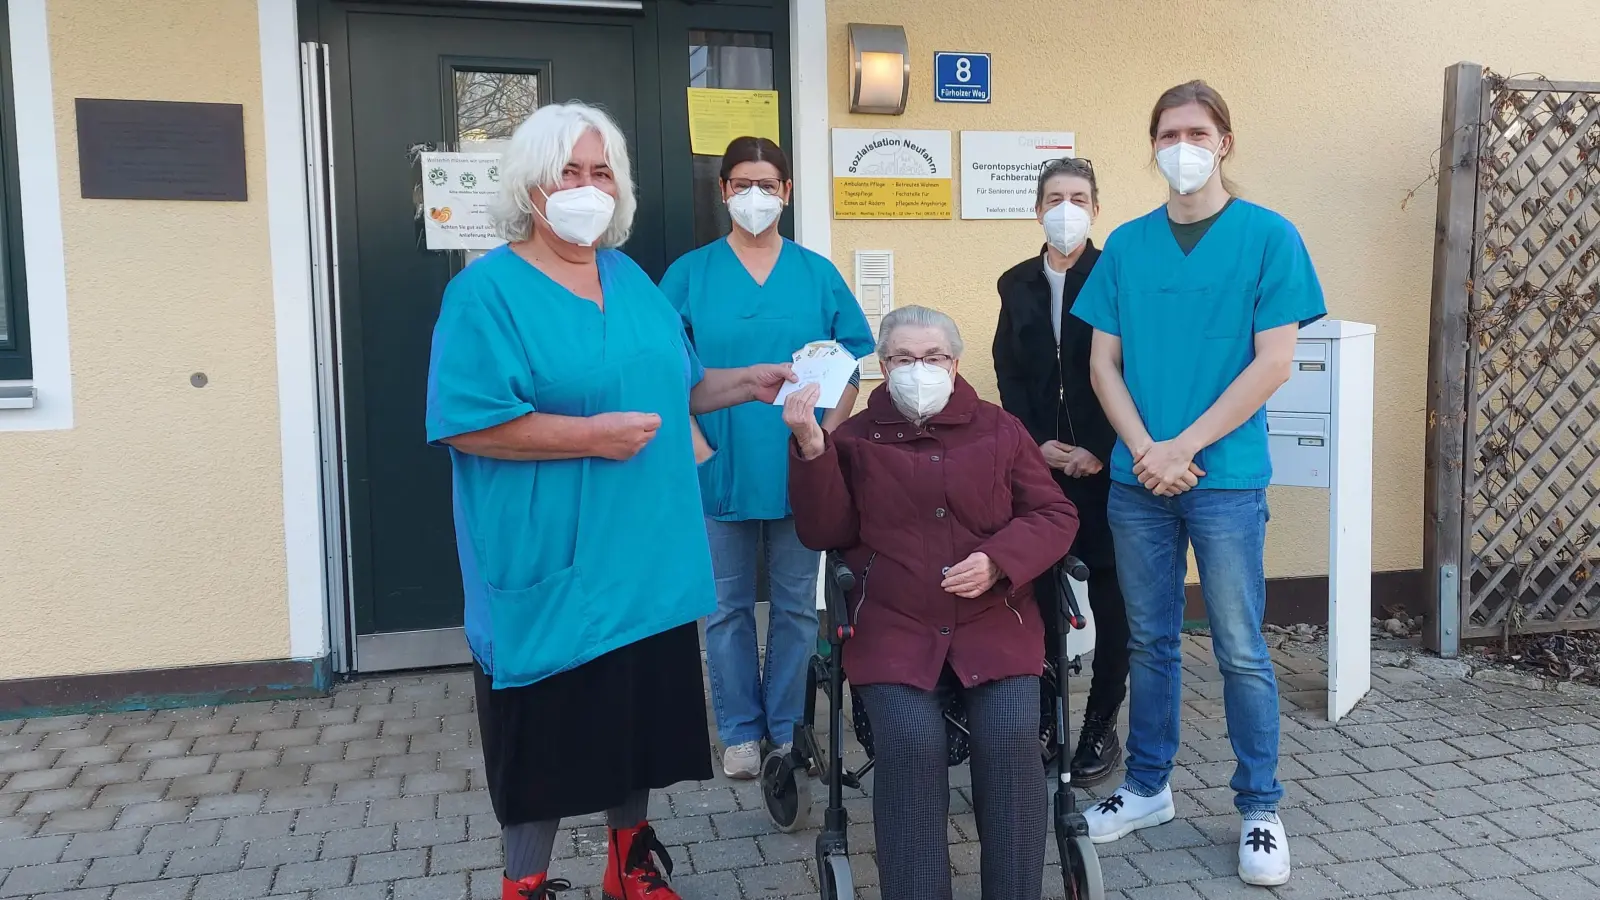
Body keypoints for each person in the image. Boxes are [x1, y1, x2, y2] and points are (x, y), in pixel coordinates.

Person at [424, 102, 793, 900]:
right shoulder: (485, 294)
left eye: (601, 173)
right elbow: (468, 426)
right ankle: (524, 883)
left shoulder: (629, 280)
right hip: (552, 554)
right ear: (531, 186)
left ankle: (628, 862)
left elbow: (680, 387)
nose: (586, 188)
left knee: (637, 725)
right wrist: (590, 437)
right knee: (544, 738)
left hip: (646, 552)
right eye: (570, 172)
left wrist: (749, 383)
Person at [1071, 80, 1326, 887]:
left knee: (1242, 647)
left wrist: (1183, 444)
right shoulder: (1129, 248)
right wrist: (1148, 448)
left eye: (1196, 130)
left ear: (1224, 142)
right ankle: (1147, 786)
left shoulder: (1268, 237)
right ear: (1152, 146)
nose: (1181, 144)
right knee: (1148, 641)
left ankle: (1259, 806)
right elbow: (1101, 363)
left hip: (1224, 477)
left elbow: (1275, 361)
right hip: (1138, 477)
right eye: (1167, 132)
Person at [783, 306, 1079, 900]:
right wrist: (812, 446)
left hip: (996, 620)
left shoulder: (1001, 429)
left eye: (934, 357)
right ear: (883, 368)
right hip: (894, 627)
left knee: (1012, 746)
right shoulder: (855, 439)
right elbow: (824, 532)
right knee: (912, 747)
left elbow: (1054, 512)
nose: (920, 369)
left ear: (955, 363)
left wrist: (1000, 561)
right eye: (903, 359)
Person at [659, 136, 875, 779]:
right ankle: (740, 732)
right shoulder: (689, 275)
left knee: (790, 606)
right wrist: (694, 447)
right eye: (742, 184)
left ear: (786, 192)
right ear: (723, 190)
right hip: (718, 468)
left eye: (768, 185)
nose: (756, 196)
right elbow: (659, 371)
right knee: (724, 608)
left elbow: (853, 362)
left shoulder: (816, 274)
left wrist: (825, 442)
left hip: (796, 471)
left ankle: (787, 727)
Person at [993, 157, 1130, 786]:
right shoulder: (1015, 281)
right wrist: (1034, 444)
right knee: (1039, 596)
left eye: (1077, 197)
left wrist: (1098, 446)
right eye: (1054, 197)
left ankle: (1101, 722)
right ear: (1037, 208)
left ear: (1095, 208)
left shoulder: (1117, 273)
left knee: (1112, 594)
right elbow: (1010, 373)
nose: (1065, 208)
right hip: (1040, 469)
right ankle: (1046, 721)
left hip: (1110, 466)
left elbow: (1131, 369)